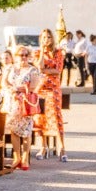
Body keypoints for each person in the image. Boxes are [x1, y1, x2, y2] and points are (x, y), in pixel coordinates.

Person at [3, 47, 41, 170]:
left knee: (26, 131)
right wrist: (12, 90)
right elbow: (4, 82)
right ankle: (17, 157)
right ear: (16, 56)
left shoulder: (32, 70)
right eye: (21, 55)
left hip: (25, 103)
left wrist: (17, 89)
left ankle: (25, 157)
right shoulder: (10, 68)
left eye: (26, 55)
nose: (23, 57)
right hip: (12, 103)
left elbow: (33, 86)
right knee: (13, 130)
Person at [35, 30, 67, 160]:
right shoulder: (38, 52)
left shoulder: (58, 52)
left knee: (56, 116)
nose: (46, 39)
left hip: (53, 89)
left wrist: (45, 70)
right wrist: (42, 52)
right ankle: (43, 147)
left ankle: (62, 148)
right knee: (40, 117)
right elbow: (39, 67)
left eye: (48, 37)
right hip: (41, 88)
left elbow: (58, 70)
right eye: (44, 37)